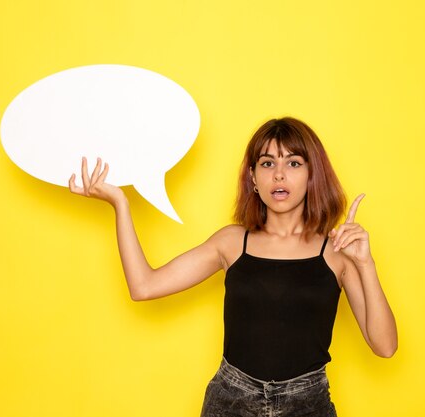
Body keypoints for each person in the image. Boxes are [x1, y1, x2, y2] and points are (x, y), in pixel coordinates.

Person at [68, 117, 397, 417]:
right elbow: (144, 286)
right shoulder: (231, 242)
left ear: (312, 175)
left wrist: (365, 264)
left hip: (308, 405)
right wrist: (120, 205)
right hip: (231, 401)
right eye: (267, 163)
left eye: (294, 163)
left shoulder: (337, 252)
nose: (279, 174)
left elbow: (384, 346)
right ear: (253, 176)